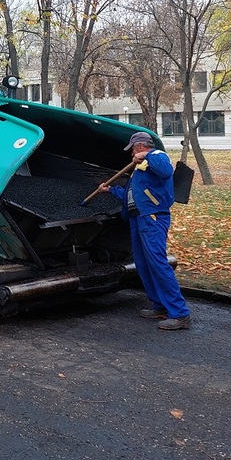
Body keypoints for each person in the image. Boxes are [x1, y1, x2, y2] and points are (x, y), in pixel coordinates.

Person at [97, 131, 192, 330]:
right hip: (137, 217)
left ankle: (180, 313)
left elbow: (166, 172)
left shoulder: (157, 156)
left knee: (157, 263)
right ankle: (160, 306)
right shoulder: (139, 170)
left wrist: (146, 155)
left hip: (153, 217)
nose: (131, 152)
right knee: (143, 264)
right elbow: (132, 196)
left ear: (140, 146)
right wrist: (111, 190)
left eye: (133, 149)